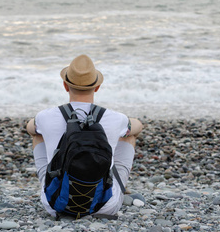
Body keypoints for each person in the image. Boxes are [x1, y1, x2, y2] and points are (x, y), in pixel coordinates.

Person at [26, 54, 143, 217]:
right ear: (97, 87)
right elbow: (138, 127)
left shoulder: (45, 116)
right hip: (104, 206)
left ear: (65, 86)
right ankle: (108, 186)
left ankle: (54, 188)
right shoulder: (116, 118)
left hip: (54, 205)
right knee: (128, 137)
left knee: (38, 136)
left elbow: (30, 129)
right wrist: (126, 127)